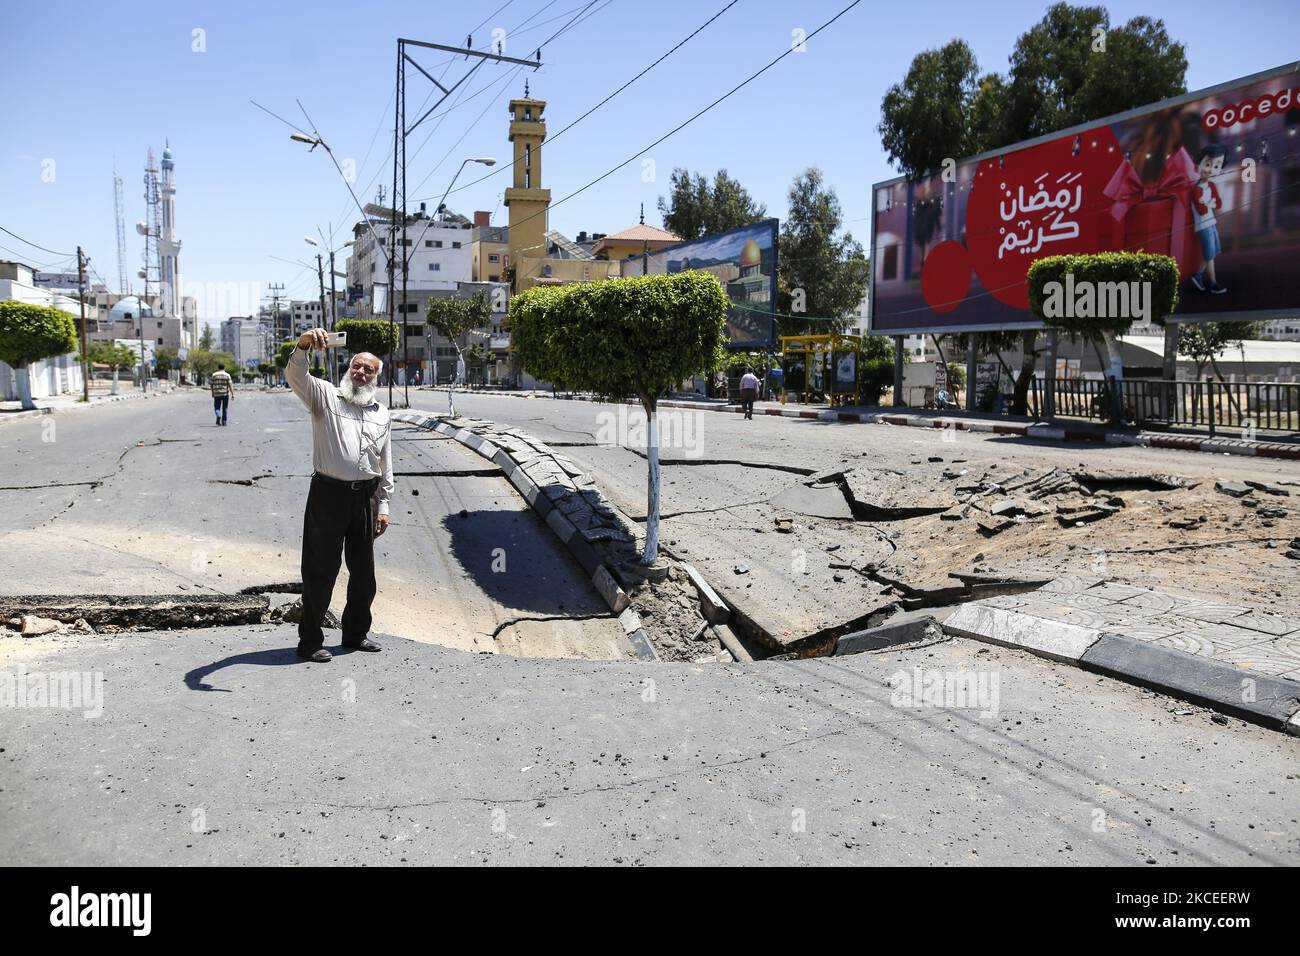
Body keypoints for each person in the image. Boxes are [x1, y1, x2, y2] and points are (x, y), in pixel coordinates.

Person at [285, 328, 394, 662]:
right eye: (356, 367)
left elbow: (385, 462)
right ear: (349, 369)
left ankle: (355, 633)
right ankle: (310, 641)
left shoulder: (382, 414)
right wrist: (304, 344)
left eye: (368, 369)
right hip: (328, 496)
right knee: (320, 570)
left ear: (377, 377)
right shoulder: (324, 396)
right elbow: (295, 373)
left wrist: (384, 504)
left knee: (364, 573)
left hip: (366, 498)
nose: (360, 373)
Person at [1189, 143, 1229, 295]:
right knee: (1210, 255)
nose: (1211, 170)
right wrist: (1207, 204)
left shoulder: (1211, 185)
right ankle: (1213, 283)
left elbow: (1218, 203)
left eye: (1216, 166)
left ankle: (1198, 276)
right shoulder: (1195, 190)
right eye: (1207, 164)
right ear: (1198, 165)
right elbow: (1201, 209)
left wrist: (1209, 203)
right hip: (1202, 226)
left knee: (1214, 251)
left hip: (1212, 222)